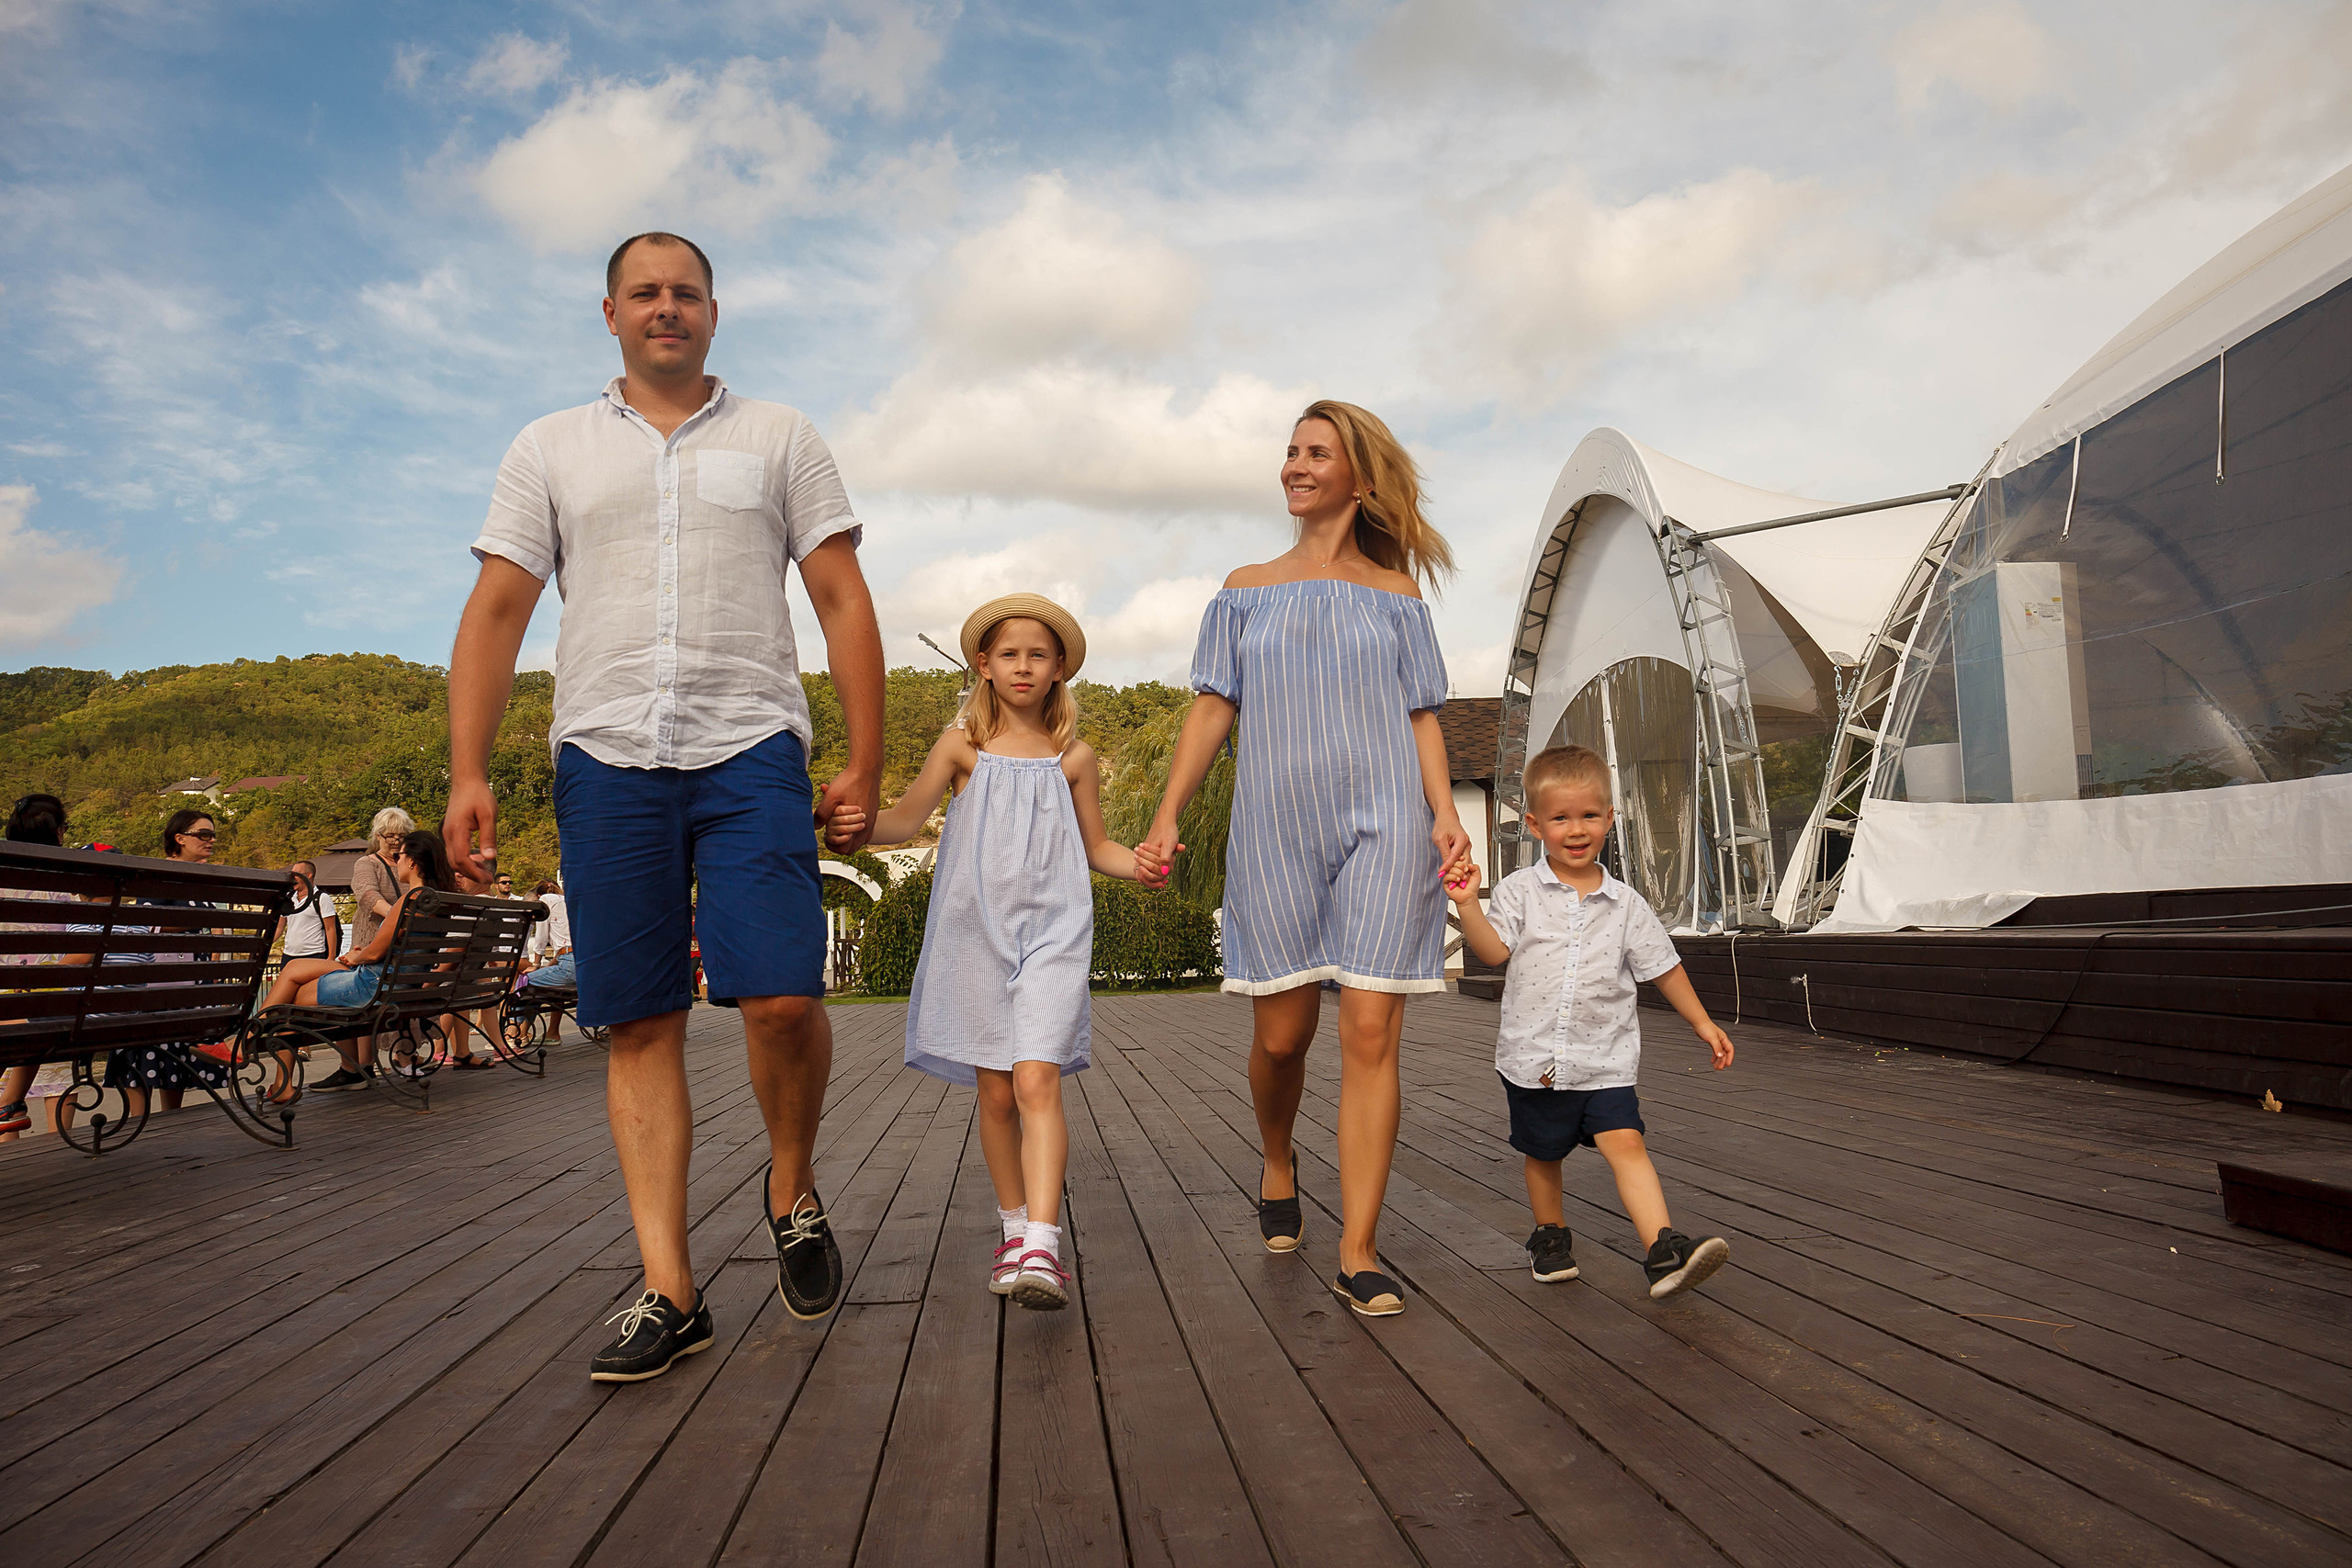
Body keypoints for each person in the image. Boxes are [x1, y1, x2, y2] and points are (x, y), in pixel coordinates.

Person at [444, 229, 886, 1384]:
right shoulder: (549, 447)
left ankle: (790, 1185)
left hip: (751, 747)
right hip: (606, 754)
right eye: (643, 293)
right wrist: (467, 771)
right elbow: (498, 610)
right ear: (610, 314)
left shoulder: (781, 437)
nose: (665, 307)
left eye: (685, 291)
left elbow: (841, 598)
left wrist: (864, 758)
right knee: (638, 1021)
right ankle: (669, 1288)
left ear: (713, 312)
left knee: (781, 998)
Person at [1137, 400, 1471, 1319]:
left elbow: (1421, 714)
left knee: (1369, 1032)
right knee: (1282, 1037)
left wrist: (1445, 815)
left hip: (1387, 824)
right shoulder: (1244, 590)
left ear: (1359, 479)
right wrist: (1167, 812)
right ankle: (1278, 1158)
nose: (1295, 464)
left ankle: (1359, 1250)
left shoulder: (1399, 597)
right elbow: (1213, 705)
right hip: (1275, 828)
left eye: (1316, 452)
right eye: (1290, 450)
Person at [829, 595, 1162, 1310]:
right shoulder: (962, 748)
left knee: (1038, 1077)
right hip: (973, 932)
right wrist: (853, 826)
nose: (1023, 666)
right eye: (1009, 653)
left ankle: (1042, 1241)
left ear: (1059, 668)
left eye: (1038, 655)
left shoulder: (1074, 758)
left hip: (1053, 934)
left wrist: (1141, 865)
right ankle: (1013, 1229)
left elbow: (1098, 846)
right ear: (983, 664)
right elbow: (905, 819)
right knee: (997, 1091)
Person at [1445, 744, 1736, 1299]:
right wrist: (1468, 905)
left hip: (1606, 1058)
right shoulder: (1519, 891)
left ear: (1610, 818)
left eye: (1588, 816)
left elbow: (1664, 968)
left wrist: (1702, 1022)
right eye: (1560, 818)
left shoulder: (1626, 904)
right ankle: (1550, 1235)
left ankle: (1663, 1250)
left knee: (1627, 1142)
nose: (1576, 830)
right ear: (1535, 825)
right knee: (1543, 1152)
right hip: (1535, 1059)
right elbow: (1493, 952)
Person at [99, 807, 236, 1118]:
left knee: (166, 1048)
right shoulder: (162, 875)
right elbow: (146, 925)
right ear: (180, 838)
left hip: (181, 986)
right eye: (204, 834)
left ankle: (167, 1121)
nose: (211, 840)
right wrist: (193, 923)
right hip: (171, 987)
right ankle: (143, 1120)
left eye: (213, 834)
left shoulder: (190, 878)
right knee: (156, 1045)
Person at [316, 807, 414, 1089]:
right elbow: (368, 895)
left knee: (366, 998)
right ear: (377, 835)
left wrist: (397, 919)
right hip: (373, 937)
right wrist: (398, 916)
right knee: (367, 1001)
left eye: (401, 836)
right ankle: (366, 1065)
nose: (395, 841)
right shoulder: (368, 863)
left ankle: (363, 1067)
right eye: (389, 835)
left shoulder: (410, 865)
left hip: (390, 946)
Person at [0, 793, 74, 1137]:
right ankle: (59, 1142)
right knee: (53, 1063)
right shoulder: (66, 885)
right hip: (54, 1003)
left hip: (10, 1002)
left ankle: (8, 1136)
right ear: (57, 832)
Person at [277, 861, 341, 966]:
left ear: (308, 875)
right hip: (289, 955)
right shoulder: (288, 898)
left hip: (314, 954)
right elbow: (279, 927)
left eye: (296, 874)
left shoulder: (321, 898)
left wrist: (331, 957)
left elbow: (330, 928)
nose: (292, 877)